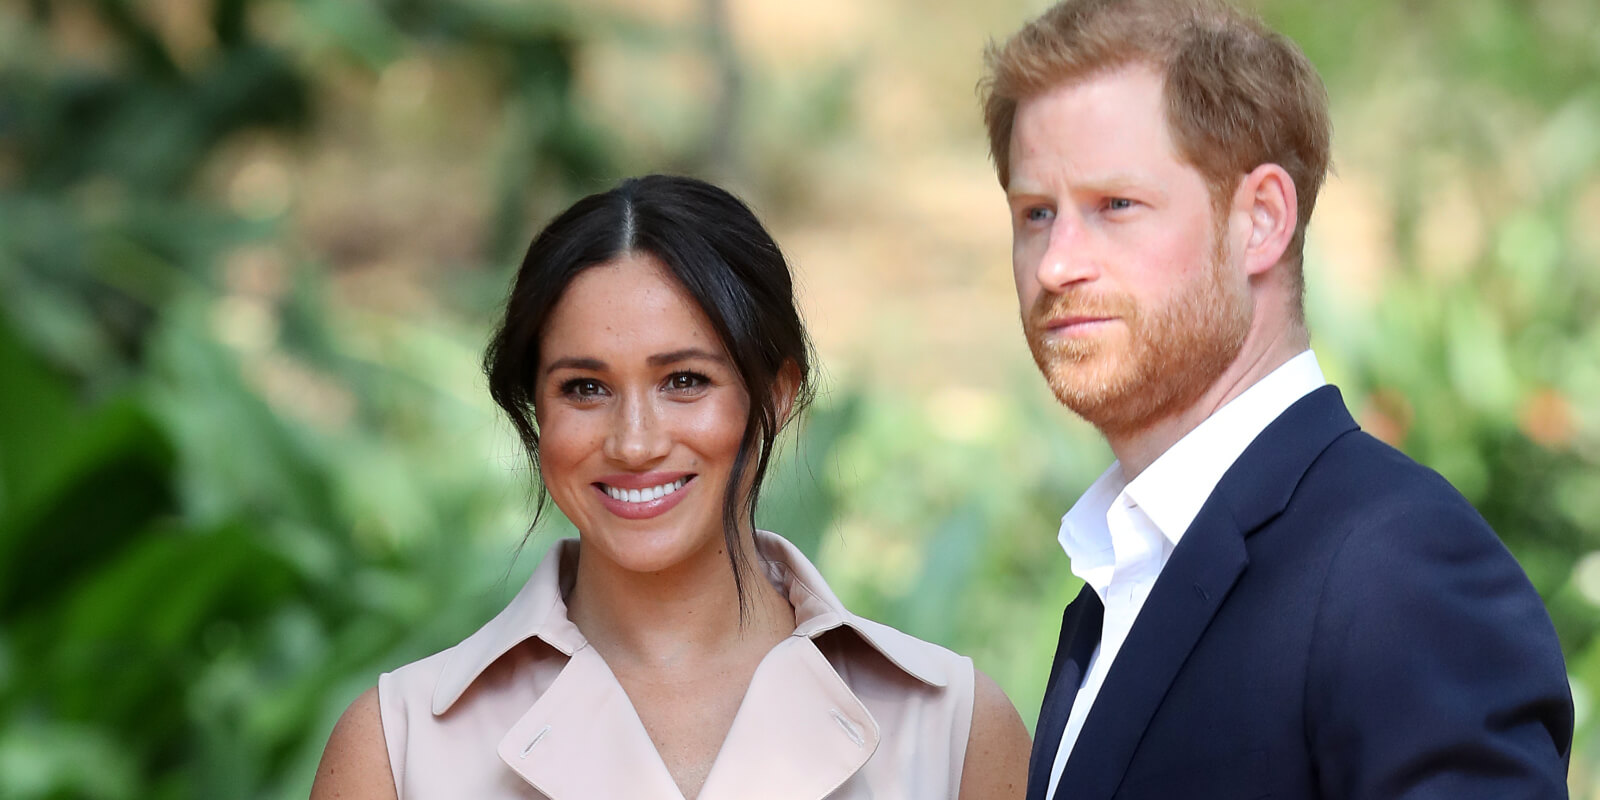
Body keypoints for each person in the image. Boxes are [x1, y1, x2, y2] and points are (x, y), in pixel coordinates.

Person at [978, 1, 1573, 798]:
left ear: (1261, 220)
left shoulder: (1399, 569)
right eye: (1036, 214)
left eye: (1115, 205)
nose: (1056, 264)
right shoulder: (1118, 581)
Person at [309, 175, 1031, 800]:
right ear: (536, 409)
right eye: (584, 388)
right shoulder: (396, 749)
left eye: (684, 381)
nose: (634, 442)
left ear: (776, 395)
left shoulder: (953, 728)